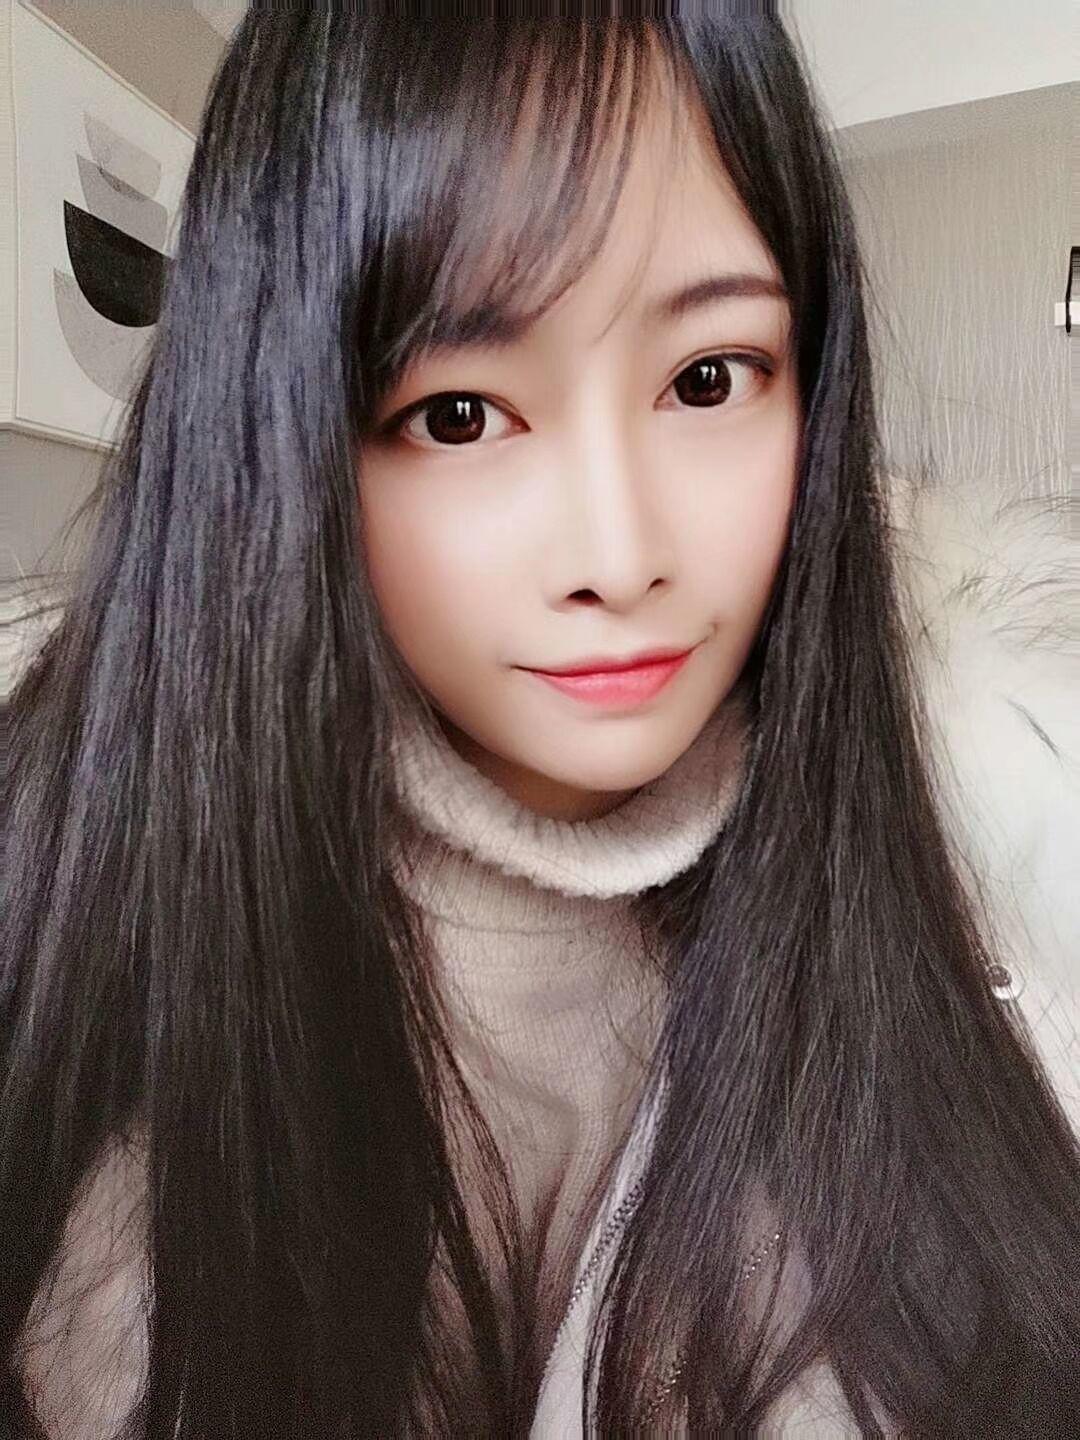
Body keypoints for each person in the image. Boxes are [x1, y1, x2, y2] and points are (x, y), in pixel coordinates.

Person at [1, 10, 1077, 1438]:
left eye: (708, 378)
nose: (619, 556)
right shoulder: (92, 954)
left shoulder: (962, 886)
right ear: (285, 434)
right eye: (458, 413)